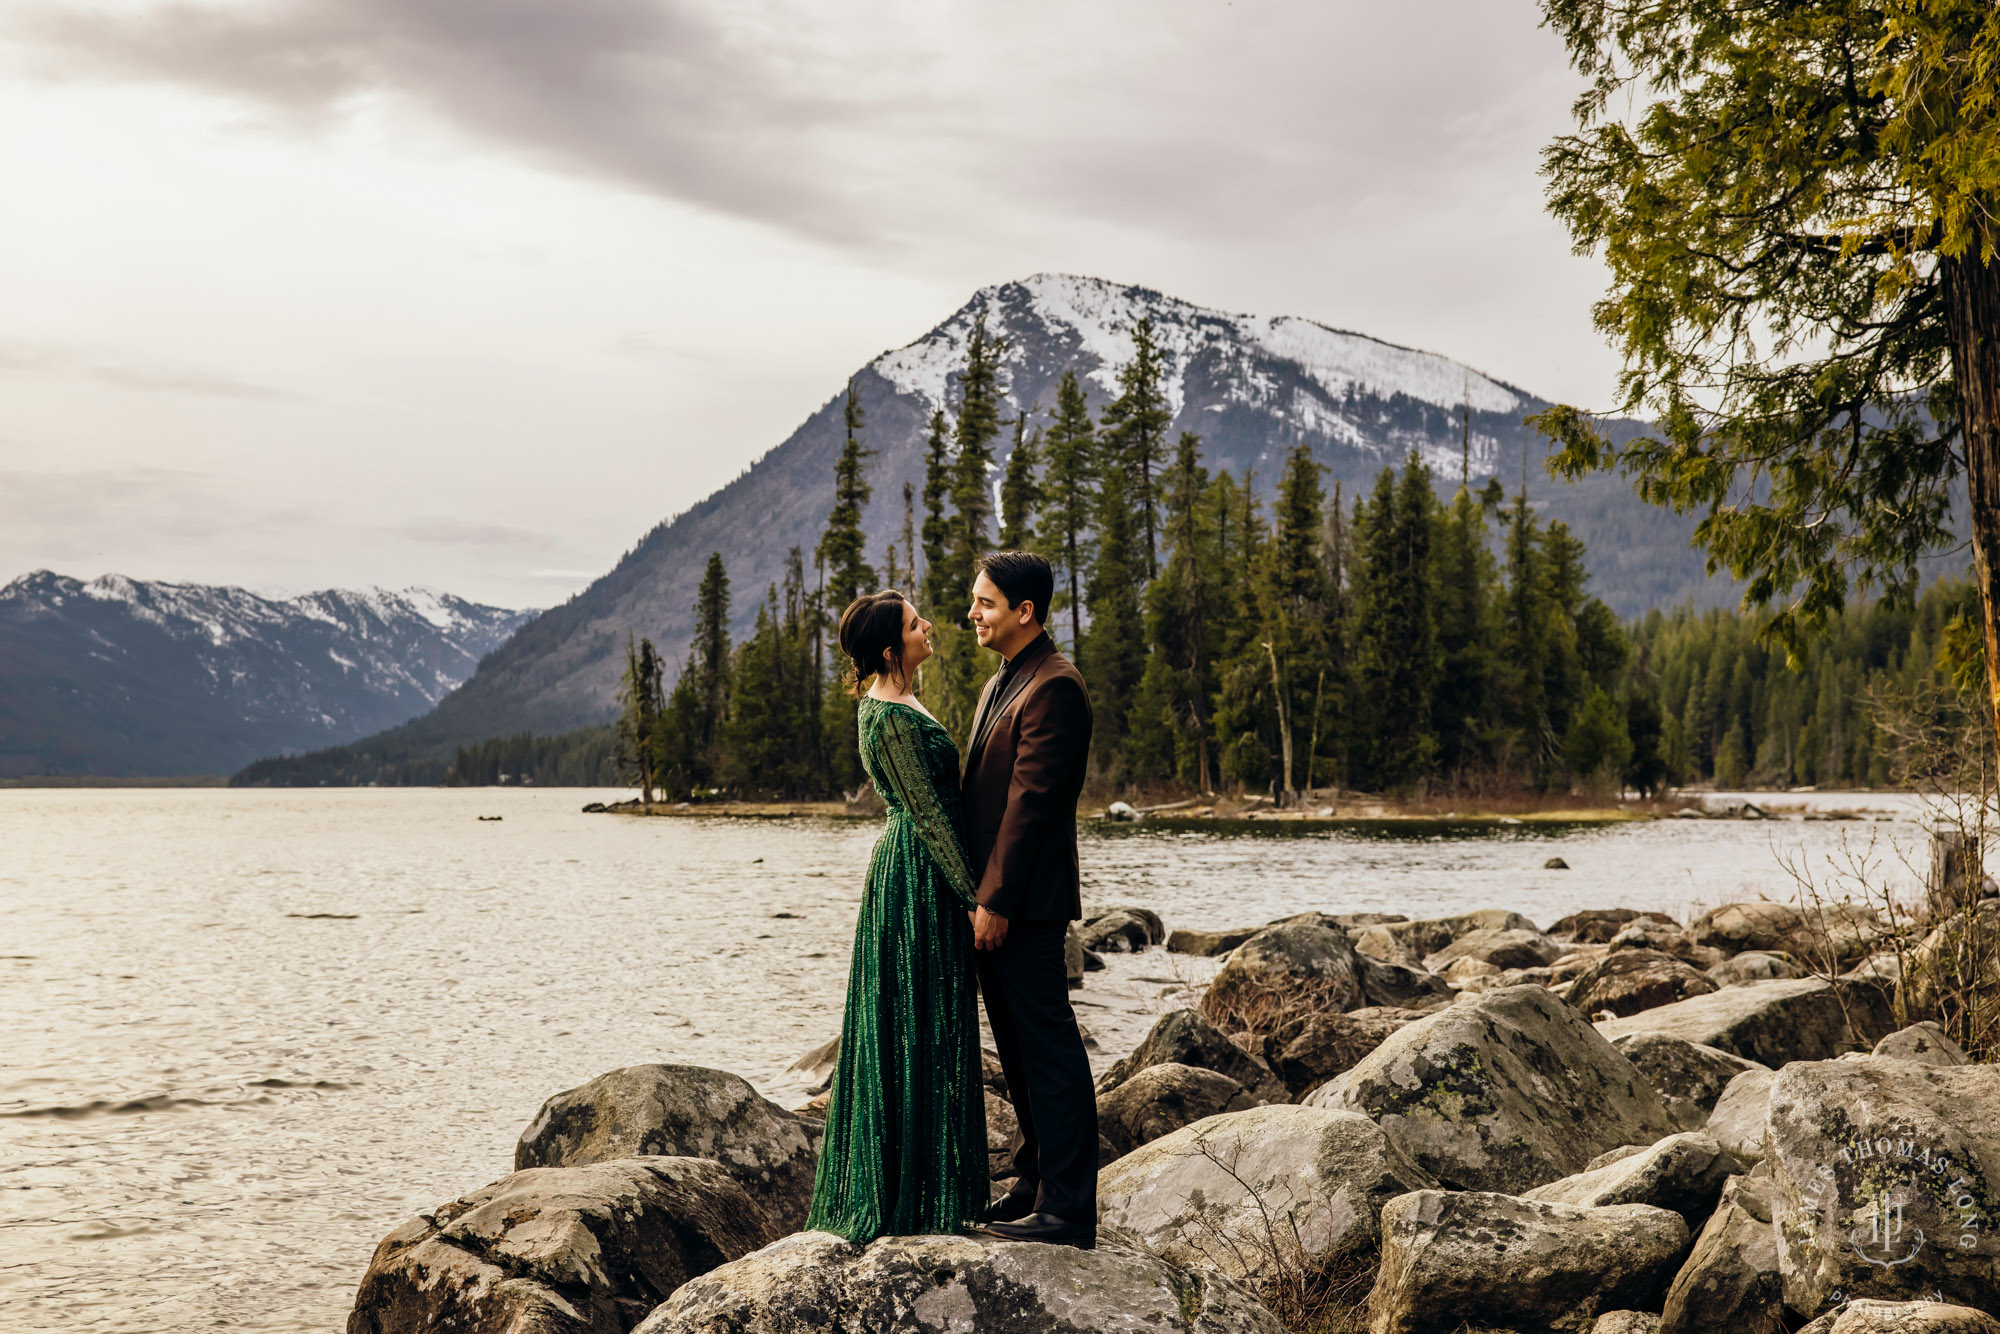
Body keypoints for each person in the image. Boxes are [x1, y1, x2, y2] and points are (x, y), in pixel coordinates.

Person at [804, 590, 987, 1241]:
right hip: (916, 878)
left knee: (925, 1022)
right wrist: (978, 900)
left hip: (914, 869)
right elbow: (933, 819)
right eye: (915, 624)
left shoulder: (898, 701)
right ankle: (911, 1199)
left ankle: (937, 1189)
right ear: (890, 648)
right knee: (918, 1023)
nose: (928, 626)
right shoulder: (888, 718)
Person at [959, 550, 1098, 1249]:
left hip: (1026, 905)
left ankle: (1070, 1210)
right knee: (1016, 1050)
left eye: (984, 603)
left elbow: (1031, 806)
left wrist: (997, 899)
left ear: (1025, 612)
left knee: (1049, 1051)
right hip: (995, 900)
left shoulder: (1057, 687)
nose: (972, 613)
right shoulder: (1001, 684)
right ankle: (1033, 1180)